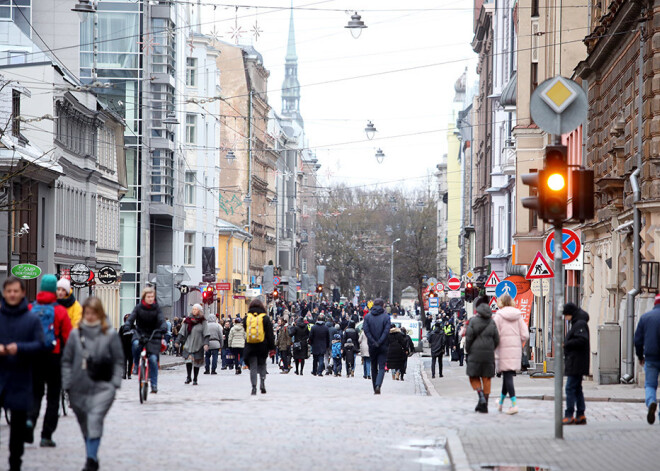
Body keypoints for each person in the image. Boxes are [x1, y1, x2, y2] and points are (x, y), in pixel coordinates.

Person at [62, 297, 123, 471]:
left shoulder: (109, 334)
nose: (89, 317)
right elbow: (66, 361)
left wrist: (115, 383)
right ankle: (92, 455)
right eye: (87, 313)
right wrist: (67, 384)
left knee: (94, 419)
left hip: (103, 387)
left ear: (100, 314)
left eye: (93, 313)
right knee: (85, 424)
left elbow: (119, 360)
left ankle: (90, 460)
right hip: (78, 387)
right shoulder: (75, 334)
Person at [0, 276, 43, 471]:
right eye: (9, 291)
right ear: (4, 292)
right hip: (1, 377)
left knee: (17, 430)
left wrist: (20, 348)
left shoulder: (31, 319)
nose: (12, 294)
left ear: (23, 293)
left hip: (20, 379)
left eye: (16, 291)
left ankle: (14, 465)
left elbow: (40, 345)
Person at [27, 274, 72, 447]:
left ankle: (30, 421)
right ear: (54, 290)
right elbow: (68, 337)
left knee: (35, 393)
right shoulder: (60, 310)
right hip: (54, 356)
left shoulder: (31, 308)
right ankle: (46, 435)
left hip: (34, 356)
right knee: (53, 397)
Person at [124, 287, 166, 394]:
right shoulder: (138, 308)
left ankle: (154, 385)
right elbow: (131, 318)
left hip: (154, 335)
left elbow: (161, 319)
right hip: (140, 333)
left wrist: (163, 327)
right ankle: (136, 363)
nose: (151, 299)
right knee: (135, 344)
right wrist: (127, 325)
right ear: (144, 297)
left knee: (152, 359)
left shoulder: (157, 308)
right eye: (148, 297)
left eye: (152, 297)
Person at [493, 294, 529, 415]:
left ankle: (514, 405)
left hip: (503, 350)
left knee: (507, 376)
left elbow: (494, 335)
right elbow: (525, 335)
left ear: (501, 303)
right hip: (515, 350)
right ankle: (501, 403)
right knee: (507, 376)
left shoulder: (498, 316)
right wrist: (518, 342)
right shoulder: (518, 316)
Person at [466, 295, 500, 413]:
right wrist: (491, 348)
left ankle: (480, 395)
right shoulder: (492, 322)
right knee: (487, 378)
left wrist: (468, 349)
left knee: (473, 376)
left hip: (475, 353)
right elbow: (497, 339)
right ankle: (484, 404)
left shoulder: (473, 321)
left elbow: (469, 337)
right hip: (488, 354)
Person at [562, 302, 590, 425]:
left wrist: (567, 344)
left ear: (570, 314)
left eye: (566, 315)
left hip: (576, 361)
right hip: (576, 361)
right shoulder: (578, 322)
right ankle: (580, 414)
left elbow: (582, 340)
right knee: (577, 388)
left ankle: (569, 415)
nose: (565, 318)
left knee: (570, 388)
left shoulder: (579, 324)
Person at [635, 294, 660, 424]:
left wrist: (640, 356)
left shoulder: (646, 317)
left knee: (650, 384)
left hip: (651, 357)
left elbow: (637, 340)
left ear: (655, 304)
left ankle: (651, 402)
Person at [243, 299, 276, 395]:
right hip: (262, 346)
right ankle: (262, 383)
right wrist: (272, 348)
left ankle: (253, 387)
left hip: (250, 346)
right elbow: (270, 335)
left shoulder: (247, 317)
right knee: (262, 365)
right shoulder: (265, 318)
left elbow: (246, 330)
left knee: (253, 367)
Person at [363, 298, 392, 394]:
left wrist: (373, 341)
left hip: (371, 345)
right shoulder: (386, 317)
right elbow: (386, 331)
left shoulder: (367, 317)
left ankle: (374, 386)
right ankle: (378, 385)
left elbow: (366, 331)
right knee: (381, 367)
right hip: (383, 345)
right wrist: (380, 341)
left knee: (373, 366)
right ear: (383, 305)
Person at [176, 304, 209, 385]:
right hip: (189, 344)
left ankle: (195, 378)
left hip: (198, 344)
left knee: (197, 363)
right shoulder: (188, 320)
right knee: (188, 361)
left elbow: (206, 333)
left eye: (196, 309)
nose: (194, 310)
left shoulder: (203, 321)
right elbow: (182, 332)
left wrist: (206, 343)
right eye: (193, 309)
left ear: (199, 311)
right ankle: (188, 377)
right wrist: (177, 341)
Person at [117, 314, 134, 379]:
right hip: (124, 347)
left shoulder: (134, 328)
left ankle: (129, 374)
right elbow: (119, 337)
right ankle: (124, 374)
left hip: (131, 347)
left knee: (131, 360)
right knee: (124, 361)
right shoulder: (122, 328)